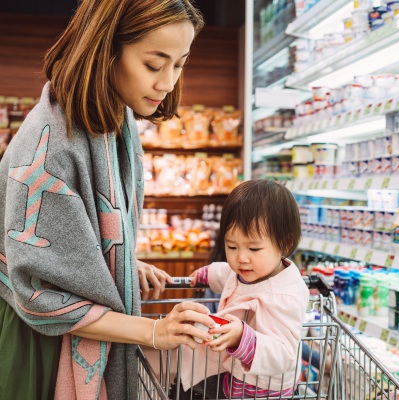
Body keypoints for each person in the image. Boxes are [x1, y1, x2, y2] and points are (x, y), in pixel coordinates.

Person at [0, 1, 219, 399]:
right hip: (40, 347)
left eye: (179, 64)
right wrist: (155, 330)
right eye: (154, 64)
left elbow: (73, 235)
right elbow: (40, 296)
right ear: (106, 51)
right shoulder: (51, 147)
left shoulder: (111, 121)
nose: (167, 82)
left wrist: (120, 266)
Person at [177, 179, 310, 399]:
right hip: (237, 376)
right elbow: (227, 275)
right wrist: (207, 274)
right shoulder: (250, 270)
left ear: (284, 244)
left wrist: (242, 337)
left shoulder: (284, 296)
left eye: (254, 248)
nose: (241, 258)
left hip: (264, 389)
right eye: (231, 246)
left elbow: (284, 354)